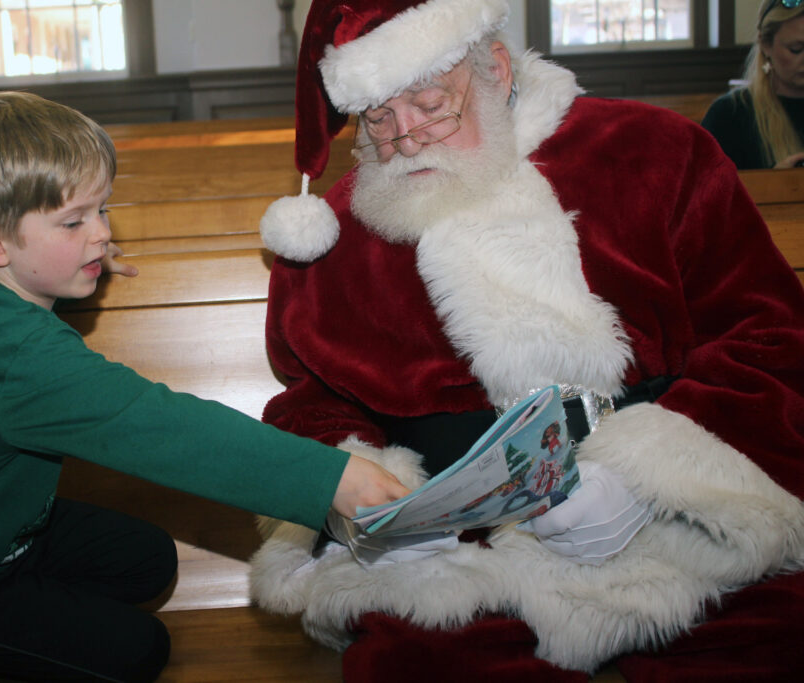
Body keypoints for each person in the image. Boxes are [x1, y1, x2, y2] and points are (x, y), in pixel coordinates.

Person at [249, 0, 804, 681]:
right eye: (380, 120)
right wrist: (362, 500)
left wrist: (648, 478)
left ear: (496, 70)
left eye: (431, 105)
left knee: (770, 640)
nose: (407, 139)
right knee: (416, 663)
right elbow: (310, 399)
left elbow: (768, 335)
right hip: (463, 555)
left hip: (680, 514)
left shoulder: (653, 153)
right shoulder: (335, 234)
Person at [0, 91, 410, 683]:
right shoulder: (13, 356)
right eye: (74, 222)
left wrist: (74, 258)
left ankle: (10, 631)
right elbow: (166, 429)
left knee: (145, 562)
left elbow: (32, 289)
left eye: (102, 211)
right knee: (138, 650)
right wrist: (330, 479)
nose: (99, 233)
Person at [701, 0, 804, 169]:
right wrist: (776, 185)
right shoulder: (729, 115)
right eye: (796, 49)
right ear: (766, 45)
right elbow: (708, 191)